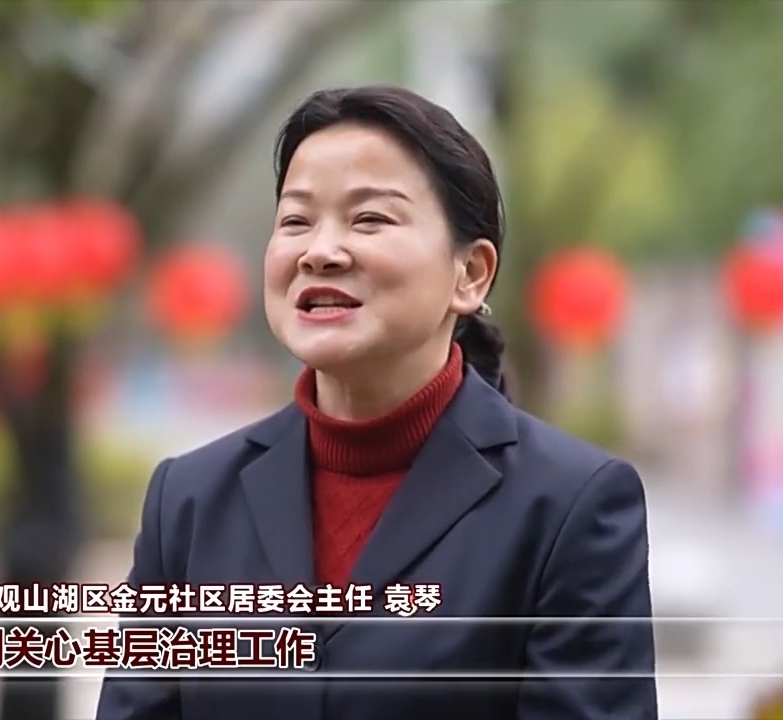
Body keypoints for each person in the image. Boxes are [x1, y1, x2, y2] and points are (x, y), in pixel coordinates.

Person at [95, 85, 657, 720]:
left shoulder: (569, 506)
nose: (320, 251)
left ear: (470, 273)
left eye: (369, 219)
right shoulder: (189, 502)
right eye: (296, 221)